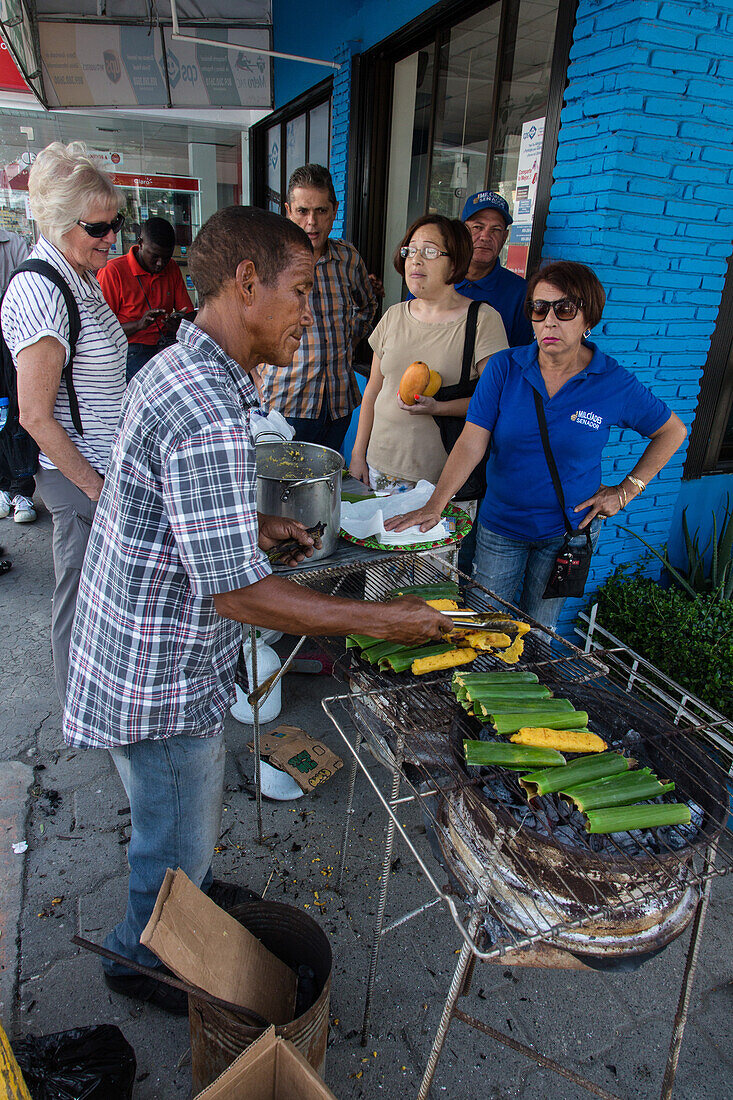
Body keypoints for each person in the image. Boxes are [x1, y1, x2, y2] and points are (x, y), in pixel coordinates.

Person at [63, 206, 447, 1013]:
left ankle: (187, 887)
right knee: (170, 834)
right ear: (246, 285)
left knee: (172, 821)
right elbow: (235, 592)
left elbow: (176, 504)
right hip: (160, 673)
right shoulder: (206, 404)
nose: (309, 314)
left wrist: (257, 524)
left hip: (131, 644)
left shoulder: (184, 369)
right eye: (300, 292)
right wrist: (387, 619)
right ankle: (141, 958)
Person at [385, 261, 687, 630]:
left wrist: (627, 491)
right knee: (482, 627)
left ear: (588, 318)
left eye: (564, 309)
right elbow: (471, 442)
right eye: (539, 309)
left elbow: (672, 431)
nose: (549, 321)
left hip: (567, 533)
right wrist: (436, 505)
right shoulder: (505, 369)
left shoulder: (612, 382)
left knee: (538, 632)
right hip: (501, 527)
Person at [1, 142, 128, 703]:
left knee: (102, 600)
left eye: (116, 223)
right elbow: (34, 413)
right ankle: (84, 711)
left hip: (100, 467)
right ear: (56, 222)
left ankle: (102, 702)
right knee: (79, 604)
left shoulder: (78, 273)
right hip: (76, 476)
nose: (112, 238)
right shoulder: (40, 287)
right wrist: (97, 489)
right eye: (97, 227)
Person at [349, 214, 507, 493]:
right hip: (379, 468)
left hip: (440, 482)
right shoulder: (394, 315)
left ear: (455, 262)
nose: (415, 259)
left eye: (430, 251)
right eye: (410, 251)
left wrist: (439, 408)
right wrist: (358, 454)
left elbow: (496, 402)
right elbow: (373, 390)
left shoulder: (482, 320)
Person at [259, 164, 379, 452]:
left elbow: (368, 305)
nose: (311, 222)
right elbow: (246, 325)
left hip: (337, 403)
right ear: (288, 210)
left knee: (326, 489)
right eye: (302, 211)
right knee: (284, 493)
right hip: (287, 404)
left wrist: (346, 339)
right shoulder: (267, 262)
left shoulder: (348, 258)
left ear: (334, 210)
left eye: (320, 211)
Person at [97, 216, 195, 382]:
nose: (159, 264)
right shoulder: (112, 272)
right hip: (130, 349)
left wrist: (178, 322)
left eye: (166, 257)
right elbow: (101, 331)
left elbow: (189, 313)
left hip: (166, 344)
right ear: (140, 243)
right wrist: (138, 325)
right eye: (155, 256)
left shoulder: (171, 267)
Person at [456, 191, 533, 347]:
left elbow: (519, 356)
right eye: (477, 227)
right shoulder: (435, 279)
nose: (485, 236)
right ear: (462, 232)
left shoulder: (520, 293)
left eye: (495, 230)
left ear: (504, 237)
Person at [0, 228, 36, 523]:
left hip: (9, 331)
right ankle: (3, 485)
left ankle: (21, 488)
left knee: (16, 406)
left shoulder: (12, 242)